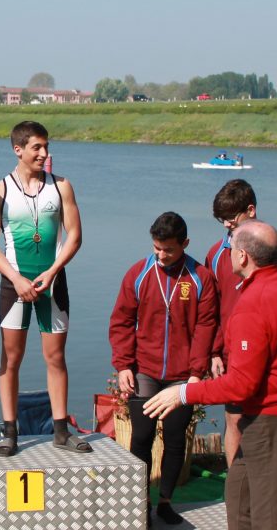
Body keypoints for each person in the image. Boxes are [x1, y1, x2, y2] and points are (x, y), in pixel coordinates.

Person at [144, 220, 277, 530]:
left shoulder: (250, 304)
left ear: (242, 257)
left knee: (269, 514)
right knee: (239, 491)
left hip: (274, 417)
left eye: (230, 249)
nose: (226, 255)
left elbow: (241, 385)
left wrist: (183, 393)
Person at [205, 179, 277, 517]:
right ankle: (240, 490)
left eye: (232, 218)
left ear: (251, 211)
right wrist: (214, 352)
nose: (227, 226)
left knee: (271, 430)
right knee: (235, 420)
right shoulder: (217, 253)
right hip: (234, 355)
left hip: (275, 364)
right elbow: (212, 307)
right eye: (221, 220)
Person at [0, 120, 89, 457]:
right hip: (15, 285)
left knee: (55, 357)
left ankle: (60, 430)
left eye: (46, 147)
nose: (45, 153)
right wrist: (16, 279)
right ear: (19, 149)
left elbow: (75, 236)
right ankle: (9, 431)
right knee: (10, 358)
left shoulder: (62, 187)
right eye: (37, 148)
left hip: (52, 285)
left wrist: (53, 270)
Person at [108, 212, 217, 526]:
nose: (161, 255)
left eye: (168, 249)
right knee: (141, 436)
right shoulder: (139, 273)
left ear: (185, 244)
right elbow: (122, 321)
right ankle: (139, 500)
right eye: (156, 248)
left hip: (183, 374)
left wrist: (197, 373)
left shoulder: (199, 277)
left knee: (174, 437)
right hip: (144, 369)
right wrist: (123, 365)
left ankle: (166, 502)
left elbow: (206, 326)